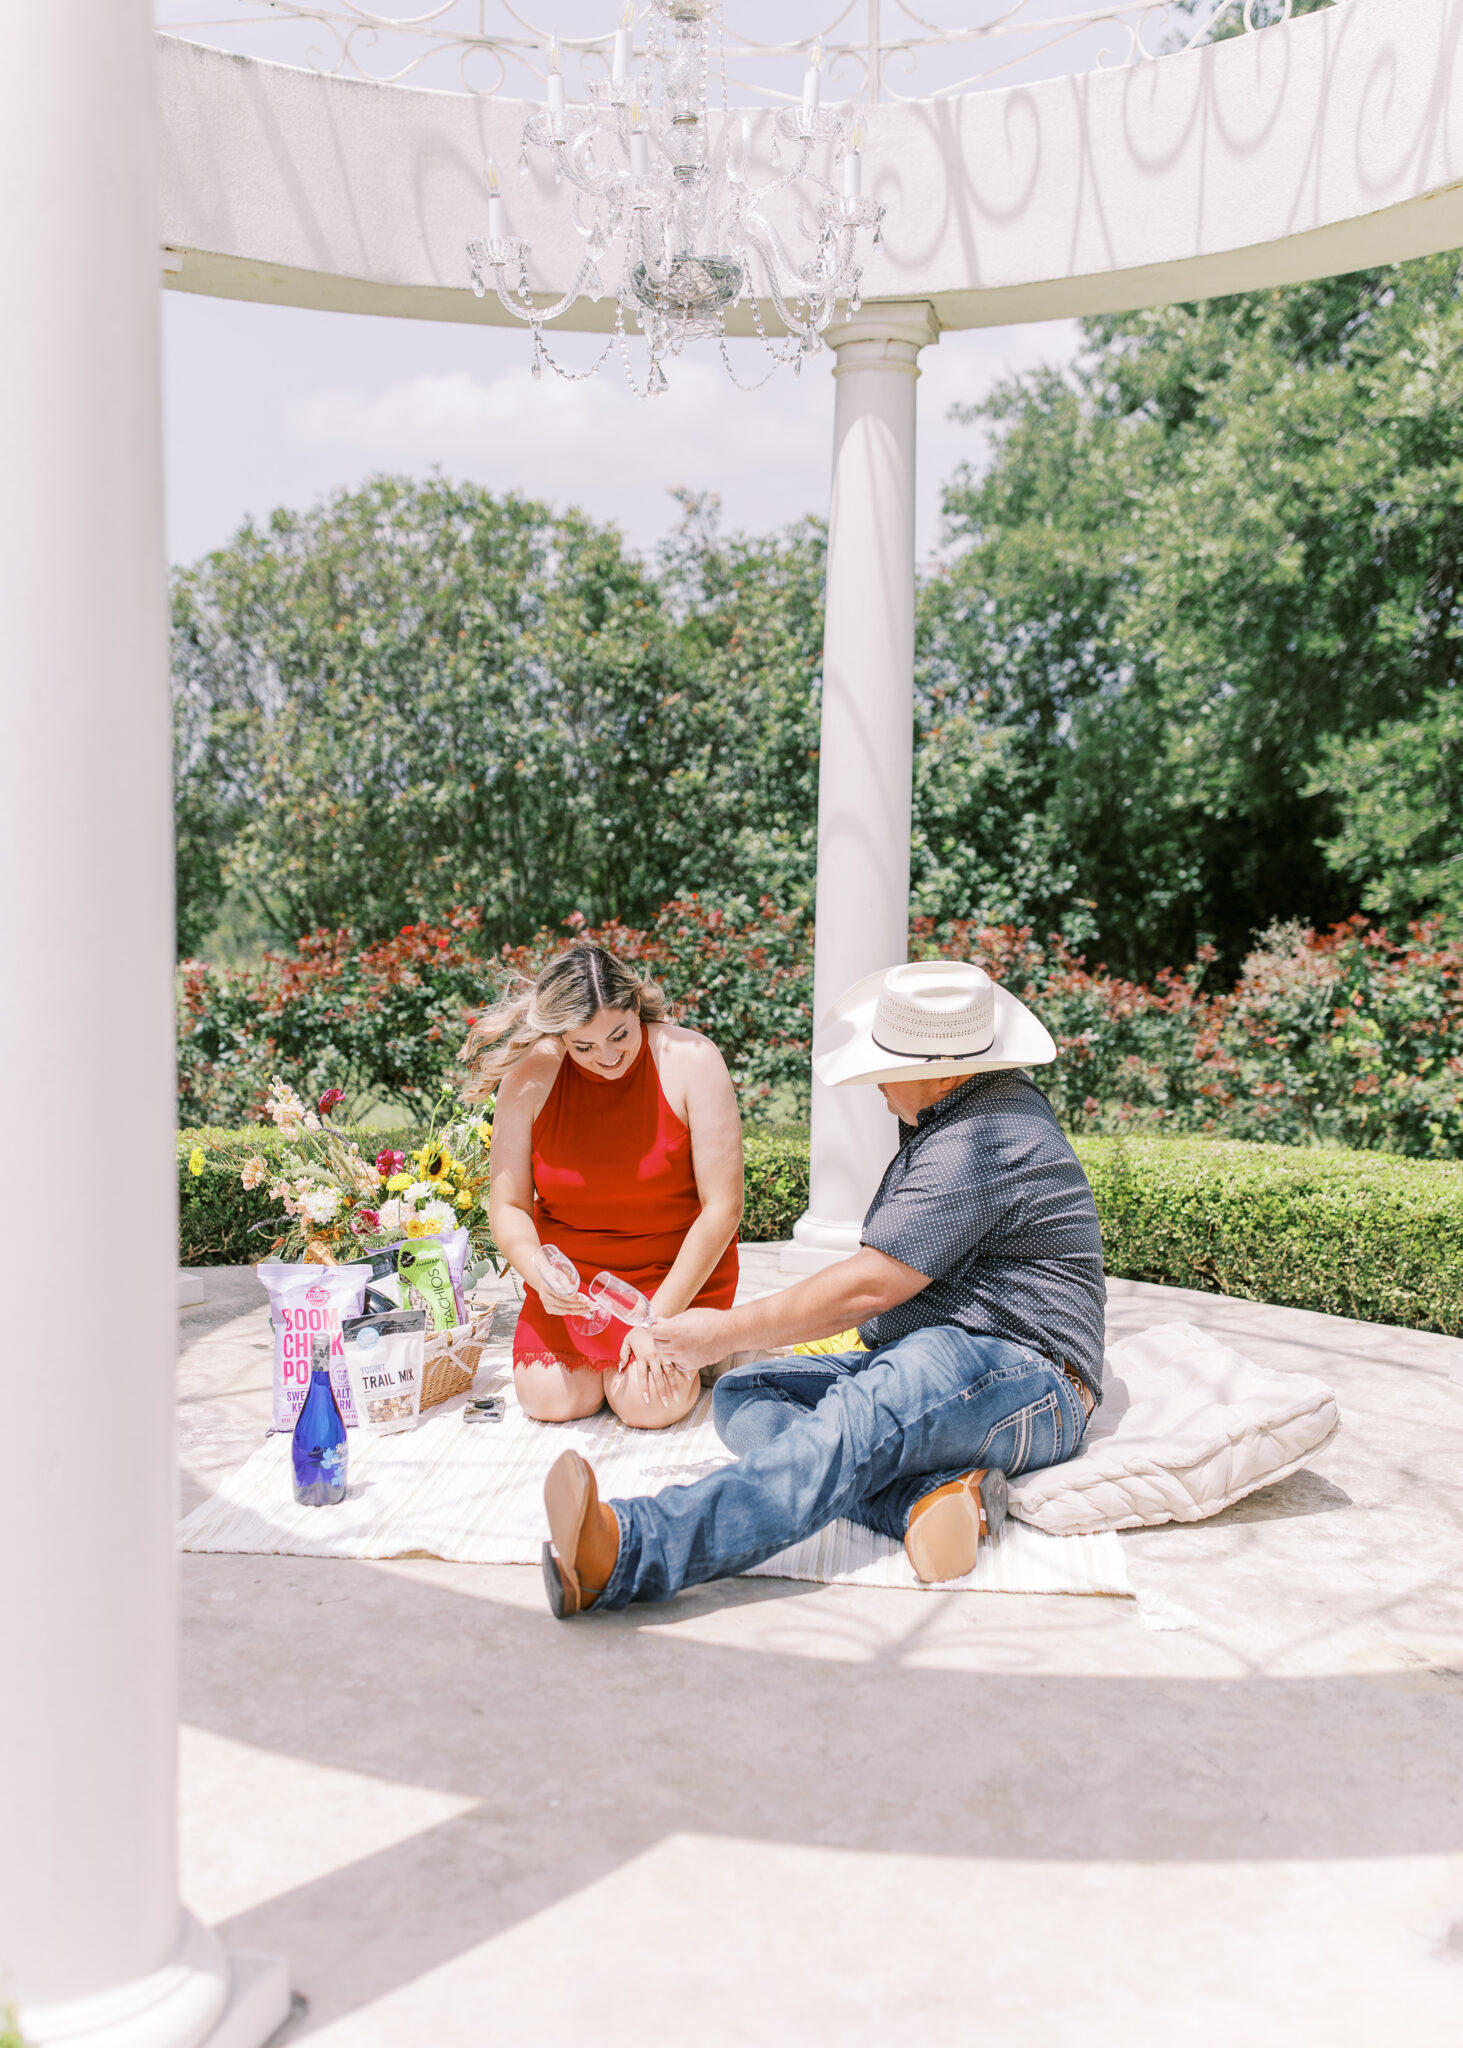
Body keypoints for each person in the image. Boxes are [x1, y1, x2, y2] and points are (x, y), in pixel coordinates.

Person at [539, 957, 1105, 1614]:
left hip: (1028, 1379)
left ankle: (626, 1549)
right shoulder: (967, 1112)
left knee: (871, 1403)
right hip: (959, 1367)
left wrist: (716, 1332)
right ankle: (931, 1499)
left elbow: (869, 1286)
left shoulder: (984, 1135)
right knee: (751, 1393)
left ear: (940, 1072)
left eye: (883, 1065)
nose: (873, 1084)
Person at [468, 943, 743, 1430]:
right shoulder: (531, 1077)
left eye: (619, 1035)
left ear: (637, 1007)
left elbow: (723, 1209)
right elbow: (508, 1205)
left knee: (647, 1404)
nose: (609, 1057)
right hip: (575, 1281)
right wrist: (539, 1274)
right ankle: (672, 1356)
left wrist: (653, 1321)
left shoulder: (693, 1058)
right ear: (559, 1035)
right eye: (584, 1047)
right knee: (550, 1401)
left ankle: (707, 1346)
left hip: (673, 1269)